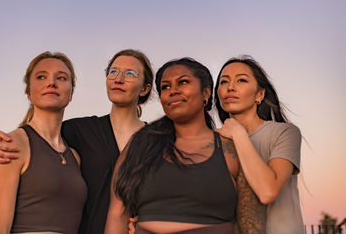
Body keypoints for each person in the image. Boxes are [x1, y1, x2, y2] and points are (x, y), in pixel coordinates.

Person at [0, 49, 153, 234]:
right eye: (113, 71)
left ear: (145, 88)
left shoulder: (158, 141)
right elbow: (37, 137)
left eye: (130, 73)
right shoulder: (78, 131)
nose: (119, 79)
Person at [104, 58, 266, 234]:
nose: (173, 91)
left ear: (206, 92)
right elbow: (117, 214)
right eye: (165, 87)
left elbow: (252, 225)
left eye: (183, 82)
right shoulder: (140, 145)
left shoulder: (231, 150)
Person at [0, 51, 87, 234]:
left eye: (62, 78)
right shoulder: (11, 145)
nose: (51, 82)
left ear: (71, 92)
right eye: (41, 76)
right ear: (29, 93)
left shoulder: (75, 156)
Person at [214, 56, 304, 234]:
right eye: (224, 82)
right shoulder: (211, 141)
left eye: (241, 80)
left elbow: (267, 191)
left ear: (260, 94)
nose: (230, 87)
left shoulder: (285, 133)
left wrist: (238, 133)